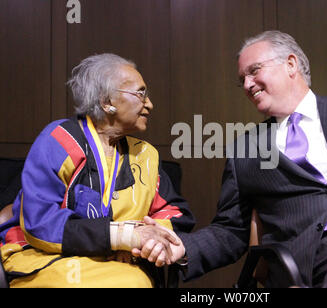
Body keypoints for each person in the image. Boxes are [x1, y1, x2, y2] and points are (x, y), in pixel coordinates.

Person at [140, 30, 327, 287]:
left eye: (254, 71)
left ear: (291, 64)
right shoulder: (245, 149)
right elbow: (230, 231)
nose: (247, 85)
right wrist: (184, 248)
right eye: (242, 80)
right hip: (319, 252)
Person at [0, 53, 195, 287]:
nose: (150, 104)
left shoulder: (146, 155)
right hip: (47, 258)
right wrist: (123, 237)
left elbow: (173, 212)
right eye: (140, 93)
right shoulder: (60, 140)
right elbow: (40, 223)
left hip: (122, 262)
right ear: (107, 102)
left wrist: (145, 243)